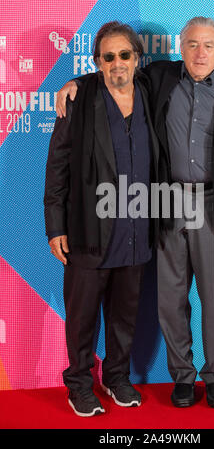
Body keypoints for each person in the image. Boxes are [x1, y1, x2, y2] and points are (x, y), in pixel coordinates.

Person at [56, 16, 214, 409]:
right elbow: (115, 73)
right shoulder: (160, 77)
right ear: (181, 48)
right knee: (170, 298)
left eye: (209, 46)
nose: (200, 53)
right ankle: (182, 378)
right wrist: (76, 84)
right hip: (165, 202)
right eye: (192, 45)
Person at [44, 21, 159, 417]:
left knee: (125, 315)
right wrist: (55, 226)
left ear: (137, 59)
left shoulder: (148, 91)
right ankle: (78, 384)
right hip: (88, 231)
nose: (117, 64)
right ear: (97, 63)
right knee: (82, 317)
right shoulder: (78, 98)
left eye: (124, 55)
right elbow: (56, 166)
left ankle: (116, 377)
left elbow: (191, 70)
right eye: (108, 57)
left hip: (136, 229)